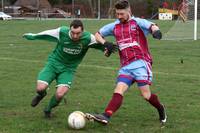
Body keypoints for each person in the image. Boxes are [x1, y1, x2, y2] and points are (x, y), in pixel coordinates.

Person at [86, 0, 167, 125]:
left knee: (146, 95)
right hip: (126, 66)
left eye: (121, 14)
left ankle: (160, 108)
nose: (119, 16)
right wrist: (105, 43)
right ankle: (106, 116)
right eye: (117, 14)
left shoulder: (138, 22)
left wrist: (156, 32)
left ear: (129, 11)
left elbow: (152, 26)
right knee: (119, 90)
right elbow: (97, 34)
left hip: (141, 63)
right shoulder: (114, 26)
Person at [23, 20, 117, 118]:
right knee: (40, 88)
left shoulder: (88, 38)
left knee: (60, 94)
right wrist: (33, 36)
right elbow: (46, 34)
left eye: (78, 33)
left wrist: (107, 51)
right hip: (53, 64)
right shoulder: (62, 32)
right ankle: (41, 95)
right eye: (73, 33)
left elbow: (103, 48)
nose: (75, 36)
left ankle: (48, 109)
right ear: (69, 29)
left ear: (83, 31)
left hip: (68, 69)